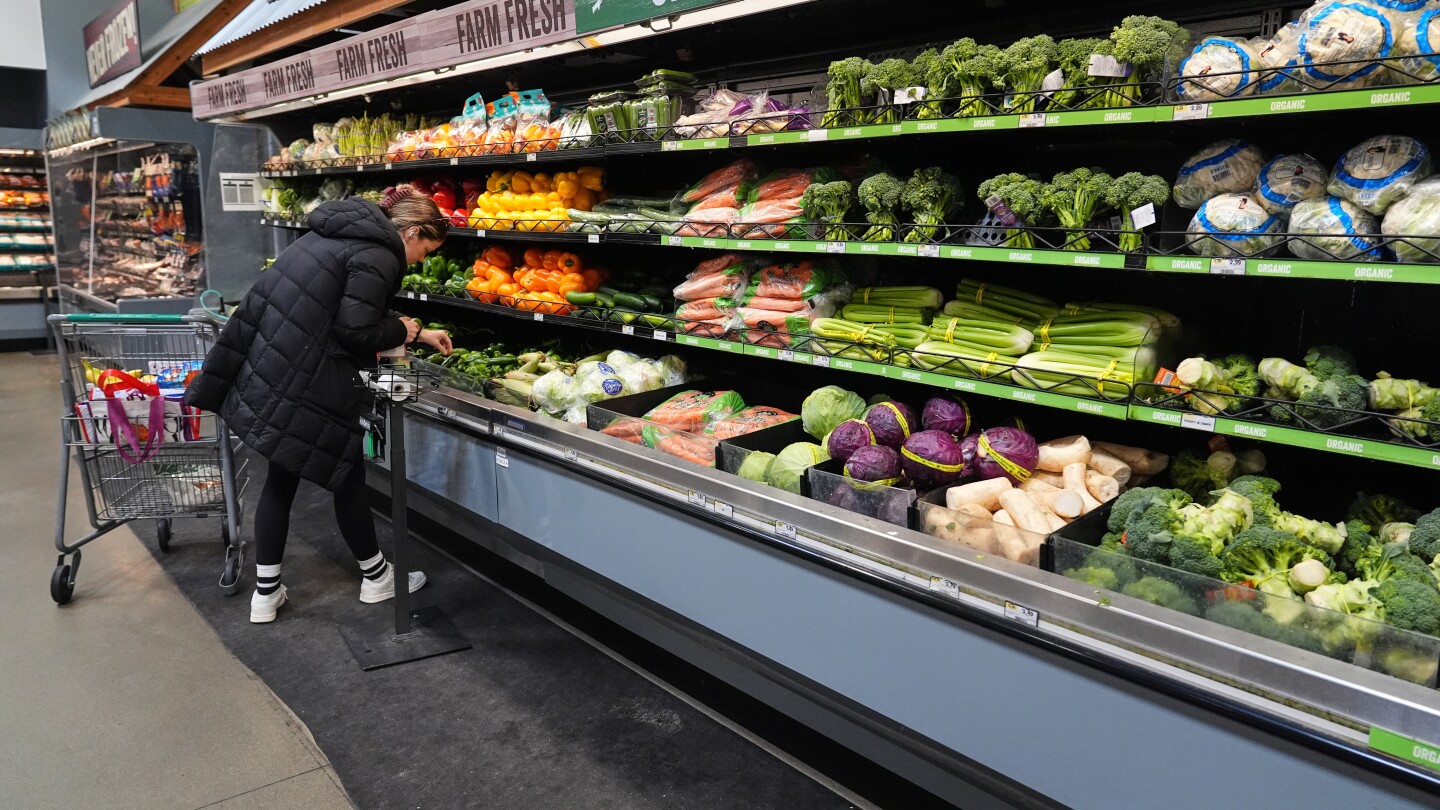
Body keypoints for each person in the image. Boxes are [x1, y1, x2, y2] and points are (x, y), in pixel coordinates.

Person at [186, 185, 453, 623]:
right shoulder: (381, 254)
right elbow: (355, 330)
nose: (420, 261)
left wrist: (416, 333)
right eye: (425, 251)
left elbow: (333, 304)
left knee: (284, 475)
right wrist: (400, 332)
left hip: (275, 366)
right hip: (310, 376)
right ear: (412, 232)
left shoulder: (331, 234)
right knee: (345, 470)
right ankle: (376, 577)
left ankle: (266, 594)